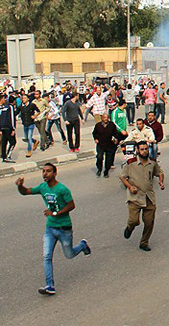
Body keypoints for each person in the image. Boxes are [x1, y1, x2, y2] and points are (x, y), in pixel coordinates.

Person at [15, 163, 91, 295]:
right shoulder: (43, 187)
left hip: (64, 228)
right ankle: (49, 285)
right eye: (43, 171)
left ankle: (83, 245)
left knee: (69, 254)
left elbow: (72, 205)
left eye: (48, 171)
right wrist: (20, 186)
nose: (45, 174)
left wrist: (55, 213)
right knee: (47, 256)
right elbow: (26, 192)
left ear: (55, 173)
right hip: (50, 228)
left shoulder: (62, 189)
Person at [120, 141, 165, 251]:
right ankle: (130, 228)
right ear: (137, 150)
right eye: (142, 149)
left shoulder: (152, 162)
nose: (144, 151)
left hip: (149, 197)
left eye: (146, 149)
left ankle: (144, 242)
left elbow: (159, 172)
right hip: (135, 198)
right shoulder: (131, 163)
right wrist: (130, 187)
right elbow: (122, 177)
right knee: (134, 220)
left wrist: (161, 181)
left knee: (149, 222)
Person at [92, 114, 121, 178]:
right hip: (100, 144)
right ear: (102, 118)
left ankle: (106, 172)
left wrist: (116, 138)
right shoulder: (98, 125)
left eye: (107, 117)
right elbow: (94, 133)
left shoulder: (111, 125)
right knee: (99, 157)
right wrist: (96, 139)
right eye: (104, 117)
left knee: (108, 159)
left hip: (109, 144)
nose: (106, 119)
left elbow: (115, 133)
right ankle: (99, 169)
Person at [19, 93, 40, 158]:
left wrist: (35, 116)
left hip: (31, 123)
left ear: (28, 99)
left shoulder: (32, 105)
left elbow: (38, 111)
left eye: (25, 98)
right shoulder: (21, 107)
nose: (23, 99)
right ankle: (35, 141)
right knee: (27, 138)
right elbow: (15, 113)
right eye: (22, 98)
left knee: (29, 137)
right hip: (24, 124)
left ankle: (29, 151)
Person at [0, 94, 17, 163]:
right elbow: (12, 118)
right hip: (8, 127)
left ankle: (4, 156)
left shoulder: (2, 108)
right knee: (13, 142)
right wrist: (13, 128)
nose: (5, 100)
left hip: (2, 127)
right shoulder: (10, 107)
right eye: (4, 98)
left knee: (4, 142)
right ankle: (8, 156)